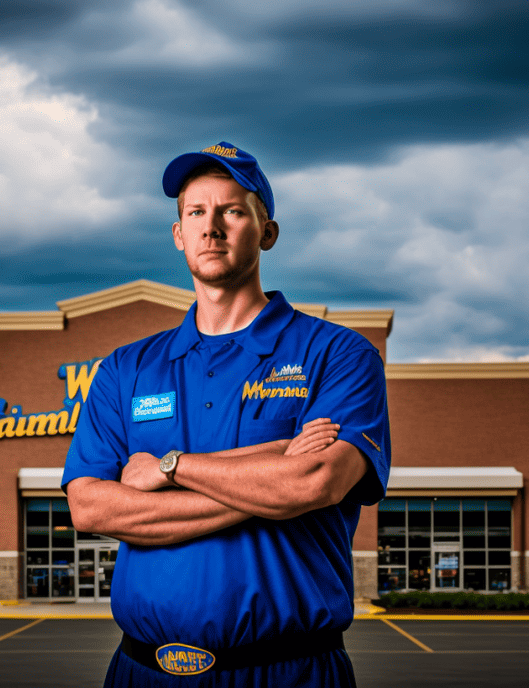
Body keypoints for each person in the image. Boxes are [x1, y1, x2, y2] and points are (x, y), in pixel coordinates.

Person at [63, 142, 390, 686]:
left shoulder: (339, 354)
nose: (211, 227)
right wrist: (273, 467)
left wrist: (169, 468)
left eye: (233, 210)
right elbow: (91, 509)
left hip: (290, 672)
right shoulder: (126, 369)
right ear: (179, 235)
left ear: (267, 232)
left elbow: (316, 481)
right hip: (144, 672)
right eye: (196, 213)